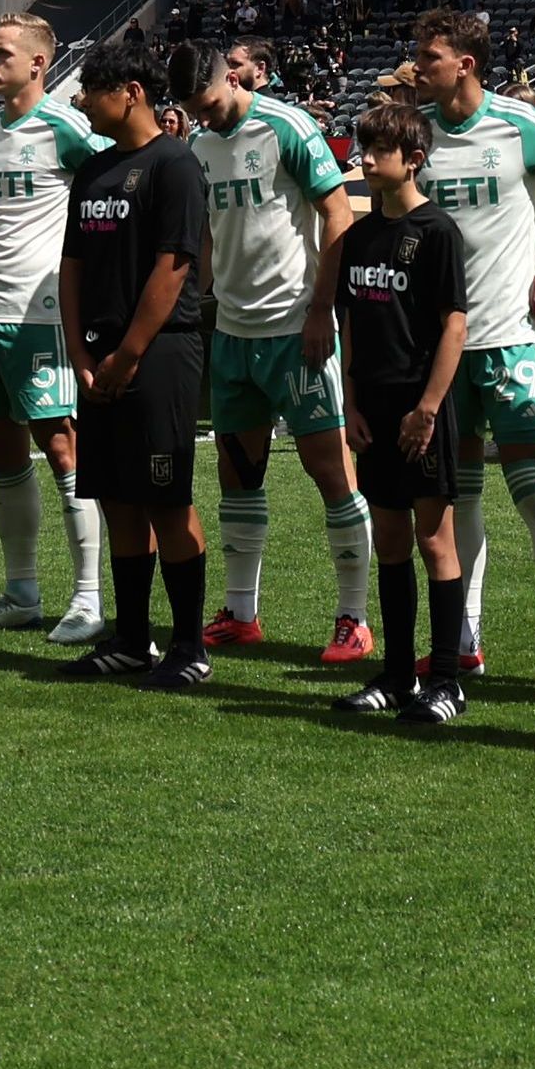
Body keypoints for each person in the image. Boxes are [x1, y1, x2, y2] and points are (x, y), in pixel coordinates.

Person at [405, 6, 535, 695]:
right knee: (456, 495)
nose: (417, 66)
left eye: (428, 56)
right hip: (441, 353)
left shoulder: (520, 126)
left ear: (465, 63)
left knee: (534, 491)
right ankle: (463, 638)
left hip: (512, 341)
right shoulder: (418, 134)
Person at [186, 38, 374, 662]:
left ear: (232, 80)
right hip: (233, 335)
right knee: (237, 475)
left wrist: (322, 310)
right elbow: (212, 233)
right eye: (194, 108)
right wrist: (197, 300)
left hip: (297, 331)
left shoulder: (286, 126)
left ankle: (353, 617)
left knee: (329, 472)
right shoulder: (199, 142)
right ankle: (242, 613)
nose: (203, 117)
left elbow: (338, 212)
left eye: (209, 103)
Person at [55, 37, 219, 684]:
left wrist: (128, 352)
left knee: (165, 498)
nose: (83, 99)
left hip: (159, 356)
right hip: (98, 361)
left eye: (93, 88)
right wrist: (79, 352)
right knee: (118, 499)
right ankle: (130, 637)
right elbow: (70, 266)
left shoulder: (174, 164)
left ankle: (189, 646)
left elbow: (174, 266)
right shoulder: (93, 171)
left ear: (132, 92)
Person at [309, 100, 471, 723]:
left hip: (419, 407)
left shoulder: (436, 234)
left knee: (436, 541)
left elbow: (453, 324)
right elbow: (351, 323)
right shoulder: (359, 237)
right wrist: (349, 403)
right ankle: (399, 676)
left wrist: (428, 408)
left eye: (378, 151)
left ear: (415, 160)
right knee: (393, 539)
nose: (365, 159)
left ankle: (447, 682)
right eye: (362, 148)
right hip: (372, 408)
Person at [0, 13, 104, 640]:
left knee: (63, 448)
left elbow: (113, 195)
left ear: (38, 64)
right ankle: (21, 591)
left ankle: (89, 599)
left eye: (0, 55)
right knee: (2, 452)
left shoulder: (68, 128)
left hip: (41, 315)